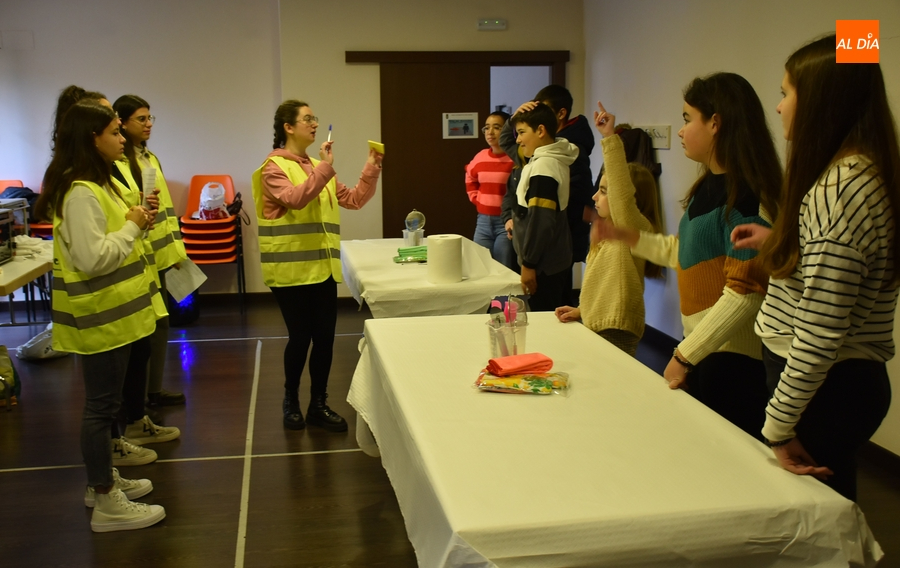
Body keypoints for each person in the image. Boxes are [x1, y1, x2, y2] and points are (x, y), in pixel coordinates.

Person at [731, 35, 900, 501]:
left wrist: (780, 425)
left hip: (823, 390)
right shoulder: (867, 172)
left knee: (816, 516)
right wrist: (792, 245)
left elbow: (821, 328)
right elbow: (843, 266)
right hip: (835, 385)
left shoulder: (839, 188)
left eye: (786, 92)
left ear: (825, 100)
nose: (780, 107)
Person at [595, 73, 782, 440]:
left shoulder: (746, 198)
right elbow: (681, 253)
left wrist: (684, 355)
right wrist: (629, 237)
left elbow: (743, 293)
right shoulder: (706, 190)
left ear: (715, 123)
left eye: (686, 119)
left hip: (733, 361)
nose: (681, 131)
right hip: (706, 353)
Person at [35, 100, 167, 532]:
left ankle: (101, 483)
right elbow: (94, 259)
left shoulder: (101, 183)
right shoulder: (80, 192)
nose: (123, 137)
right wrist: (130, 226)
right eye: (115, 131)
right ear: (93, 139)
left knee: (105, 406)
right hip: (101, 320)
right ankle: (106, 501)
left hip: (118, 318)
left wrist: (135, 222)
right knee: (100, 409)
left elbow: (115, 237)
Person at [252, 100, 382, 431]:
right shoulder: (272, 168)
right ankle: (291, 400)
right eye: (307, 119)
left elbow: (353, 199)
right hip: (290, 273)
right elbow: (295, 198)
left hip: (322, 269)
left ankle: (318, 404)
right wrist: (325, 167)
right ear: (288, 127)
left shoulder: (314, 165)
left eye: (315, 119)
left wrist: (371, 167)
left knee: (324, 339)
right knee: (300, 338)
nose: (313, 124)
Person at [555, 101, 663, 356]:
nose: (594, 197)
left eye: (603, 192)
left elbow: (622, 196)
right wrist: (583, 310)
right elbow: (603, 285)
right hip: (599, 323)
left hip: (617, 328)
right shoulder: (610, 232)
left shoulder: (635, 228)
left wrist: (609, 138)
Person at [113, 94, 189, 411]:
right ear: (122, 122)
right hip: (138, 253)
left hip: (161, 252)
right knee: (146, 330)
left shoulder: (150, 157)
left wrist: (176, 252)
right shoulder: (118, 163)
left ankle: (153, 391)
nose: (148, 125)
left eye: (150, 118)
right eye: (140, 119)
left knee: (162, 325)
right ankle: (138, 399)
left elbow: (165, 210)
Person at [509, 102, 577, 311]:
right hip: (552, 259)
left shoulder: (544, 165)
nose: (518, 139)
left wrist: (529, 264)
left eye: (521, 133)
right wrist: (517, 113)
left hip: (543, 265)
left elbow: (542, 220)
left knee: (543, 320)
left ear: (540, 131)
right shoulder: (549, 154)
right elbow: (507, 142)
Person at [465, 111, 515, 270]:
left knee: (503, 268)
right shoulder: (480, 157)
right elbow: (470, 177)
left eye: (496, 127)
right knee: (479, 267)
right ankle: (486, 297)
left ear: (508, 129)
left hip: (506, 222)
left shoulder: (515, 157)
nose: (490, 132)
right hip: (483, 222)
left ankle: (502, 297)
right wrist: (476, 198)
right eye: (486, 128)